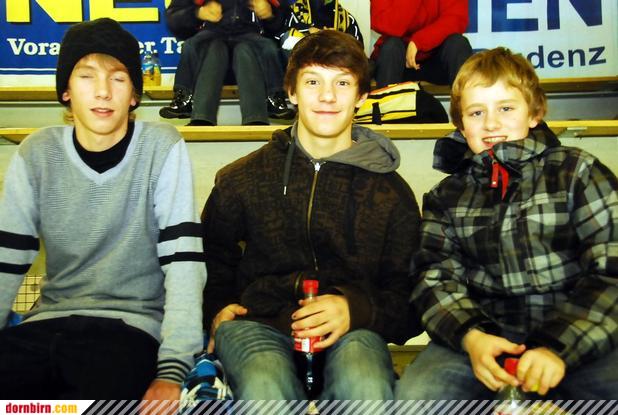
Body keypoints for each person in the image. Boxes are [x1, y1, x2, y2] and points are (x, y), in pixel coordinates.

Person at [201, 30, 421, 404]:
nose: (327, 96)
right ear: (291, 91)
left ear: (361, 96)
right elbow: (210, 262)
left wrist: (356, 309)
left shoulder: (390, 194)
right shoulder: (241, 179)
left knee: (365, 389)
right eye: (313, 82)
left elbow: (410, 296)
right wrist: (215, 310)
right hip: (257, 323)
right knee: (264, 391)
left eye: (342, 83)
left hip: (353, 330)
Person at [0, 18, 206, 404]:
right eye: (86, 76)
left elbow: (184, 263)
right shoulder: (36, 152)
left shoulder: (161, 146)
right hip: (43, 326)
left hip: (129, 330)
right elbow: (6, 261)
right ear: (65, 91)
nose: (102, 91)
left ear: (134, 95)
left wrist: (172, 368)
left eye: (118, 78)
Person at [396, 47, 618, 403]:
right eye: (476, 112)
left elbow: (611, 270)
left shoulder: (577, 171)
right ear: (461, 124)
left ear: (535, 113)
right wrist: (472, 337)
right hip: (484, 335)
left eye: (506, 108)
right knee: (415, 399)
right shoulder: (446, 196)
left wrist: (555, 348)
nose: (491, 124)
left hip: (577, 327)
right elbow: (433, 278)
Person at [159, 0, 295, 124]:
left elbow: (282, 17)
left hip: (248, 36)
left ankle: (274, 99)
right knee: (192, 45)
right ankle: (183, 100)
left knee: (268, 47)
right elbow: (175, 18)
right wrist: (198, 13)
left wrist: (270, 13)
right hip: (213, 35)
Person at [370, 0, 473, 87]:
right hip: (397, 59)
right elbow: (384, 23)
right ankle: (387, 104)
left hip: (436, 56)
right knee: (391, 46)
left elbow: (456, 19)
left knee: (458, 44)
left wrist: (419, 41)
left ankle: (467, 103)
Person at [273, 0, 363, 59]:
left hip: (337, 67)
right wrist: (309, 32)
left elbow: (358, 49)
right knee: (291, 39)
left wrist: (337, 37)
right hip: (305, 65)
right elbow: (281, 36)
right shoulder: (293, 11)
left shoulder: (345, 18)